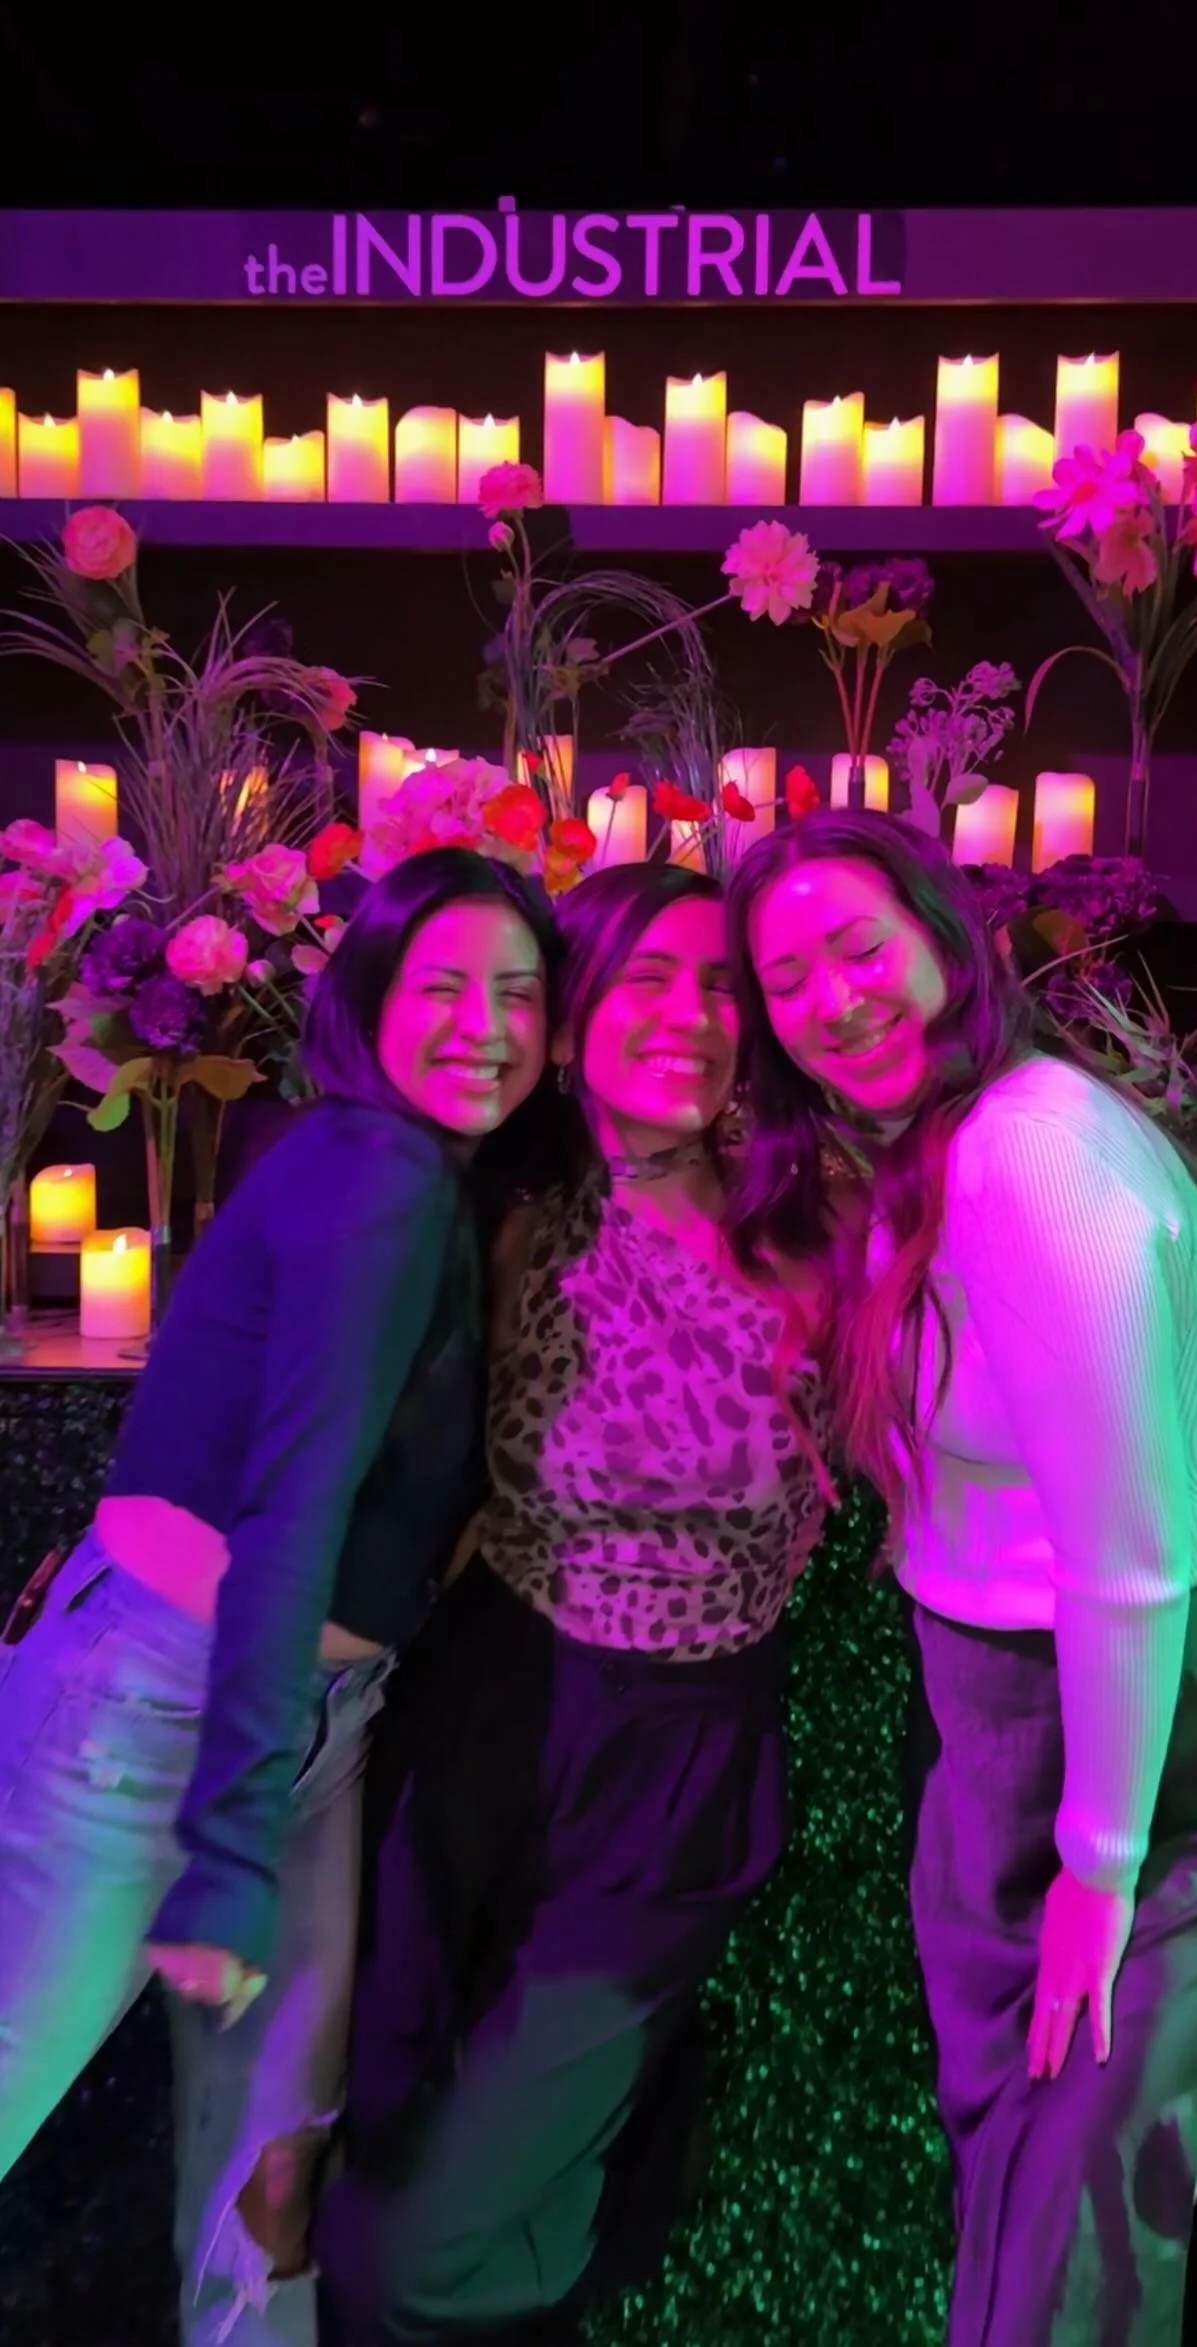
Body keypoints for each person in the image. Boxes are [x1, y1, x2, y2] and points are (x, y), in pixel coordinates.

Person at [723, 804, 1197, 2346]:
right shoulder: (913, 1158)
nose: (832, 997)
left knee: (1095, 2194)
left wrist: (1098, 1866)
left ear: (945, 938)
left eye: (858, 946)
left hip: (1165, 1712)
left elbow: (1127, 1558)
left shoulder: (1024, 1154)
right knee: (1074, 2178)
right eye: (786, 978)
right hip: (1003, 1706)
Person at [0, 846, 558, 2347]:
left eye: (520, 992)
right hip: (162, 1705)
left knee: (271, 2193)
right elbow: (291, 1510)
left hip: (301, 1717)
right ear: (366, 996)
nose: (487, 1026)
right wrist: (231, 1842)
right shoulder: (377, 1177)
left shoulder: (416, 1174)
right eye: (444, 987)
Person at [316, 860, 842, 2347]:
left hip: (674, 1775)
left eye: (720, 984)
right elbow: (358, 1448)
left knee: (413, 2240)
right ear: (567, 1018)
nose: (691, 1015)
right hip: (476, 1731)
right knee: (381, 2129)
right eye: (645, 980)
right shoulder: (494, 1212)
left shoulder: (816, 1228)